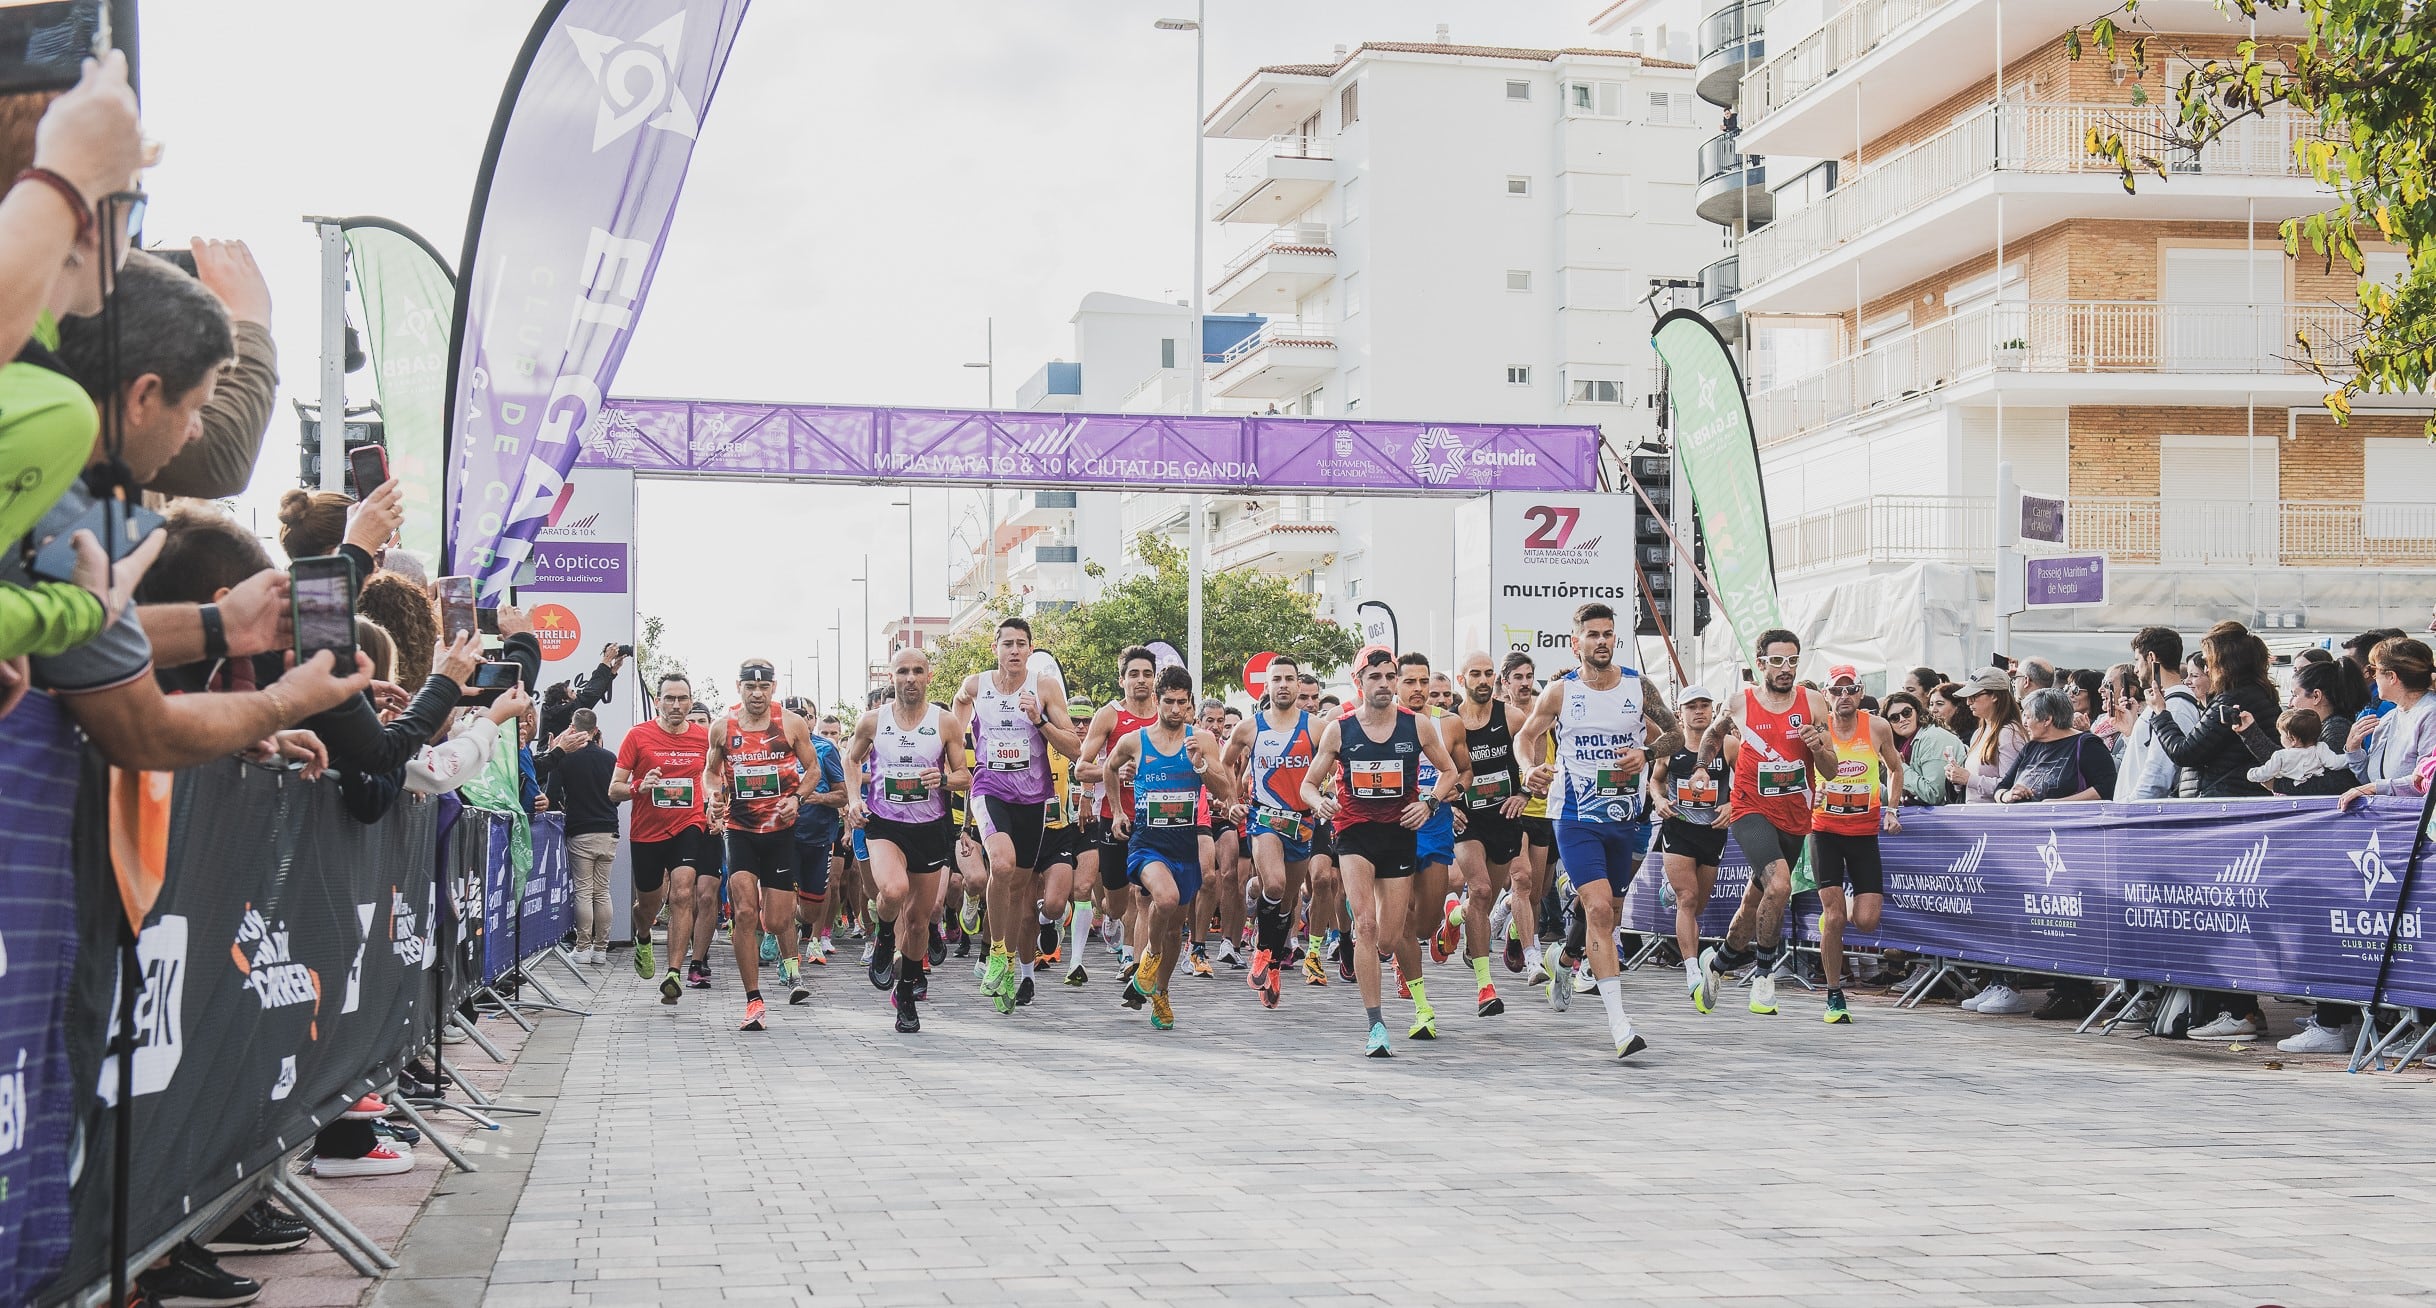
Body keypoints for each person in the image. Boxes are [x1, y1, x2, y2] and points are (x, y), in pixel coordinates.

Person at [1517, 603, 1659, 1057]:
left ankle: (1564, 956)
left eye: (1609, 634)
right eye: (1592, 634)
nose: (1602, 641)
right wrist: (1528, 768)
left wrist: (1647, 755)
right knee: (1598, 908)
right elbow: (1526, 737)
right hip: (1574, 815)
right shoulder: (1561, 692)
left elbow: (1674, 736)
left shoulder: (1638, 686)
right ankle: (1620, 1025)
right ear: (1575, 641)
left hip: (1624, 817)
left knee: (1609, 911)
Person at [1303, 647, 1460, 1056]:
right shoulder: (1339, 730)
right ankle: (1376, 1026)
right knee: (1366, 927)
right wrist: (1319, 802)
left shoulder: (1418, 726)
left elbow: (1450, 772)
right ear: (1359, 683)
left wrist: (1429, 803)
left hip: (1399, 834)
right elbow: (1307, 784)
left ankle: (1392, 968)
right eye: (1376, 677)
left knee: (1389, 938)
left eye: (1391, 677)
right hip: (1355, 833)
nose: (1386, 684)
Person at [1696, 628, 1833, 1017]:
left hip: (1795, 814)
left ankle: (1719, 963)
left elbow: (1832, 769)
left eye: (1792, 660)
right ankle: (1763, 976)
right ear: (1761, 664)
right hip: (1749, 809)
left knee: (1758, 898)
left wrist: (1817, 746)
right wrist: (1703, 768)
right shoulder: (1741, 702)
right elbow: (1712, 733)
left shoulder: (1813, 702)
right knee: (1780, 884)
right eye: (1777, 661)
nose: (1786, 668)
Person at [951, 617, 1081, 1013]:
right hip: (990, 790)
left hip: (1032, 800)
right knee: (1002, 866)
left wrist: (1039, 720)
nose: (1014, 650)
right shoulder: (976, 686)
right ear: (995, 648)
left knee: (1018, 886)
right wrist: (956, 755)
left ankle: (1009, 963)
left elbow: (1075, 747)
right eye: (1007, 643)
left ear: (1029, 649)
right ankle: (996, 951)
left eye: (1021, 644)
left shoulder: (1043, 687)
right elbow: (956, 710)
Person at [843, 648, 971, 1034]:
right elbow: (851, 760)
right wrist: (853, 800)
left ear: (929, 676)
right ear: (891, 678)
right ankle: (883, 937)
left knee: (919, 921)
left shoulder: (945, 723)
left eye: (918, 671)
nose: (910, 678)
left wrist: (944, 780)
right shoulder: (872, 721)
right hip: (885, 824)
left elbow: (966, 775)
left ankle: (907, 992)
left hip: (930, 829)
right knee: (894, 889)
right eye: (903, 672)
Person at [1104, 666, 1234, 1030]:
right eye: (1169, 702)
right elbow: (1109, 768)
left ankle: (1161, 990)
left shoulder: (1202, 740)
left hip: (1185, 842)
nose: (1176, 709)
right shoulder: (1136, 740)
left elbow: (1225, 788)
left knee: (1176, 925)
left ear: (1190, 704)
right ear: (1157, 701)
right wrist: (1116, 812)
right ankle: (1150, 954)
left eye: (1182, 703)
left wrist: (1201, 766)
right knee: (1163, 899)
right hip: (1147, 842)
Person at [704, 659, 826, 1028]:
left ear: (773, 688)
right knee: (743, 912)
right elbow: (711, 771)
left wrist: (798, 799)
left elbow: (814, 769)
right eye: (749, 687)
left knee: (776, 919)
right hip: (739, 828)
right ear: (738, 687)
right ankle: (753, 1000)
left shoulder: (790, 724)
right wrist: (712, 795)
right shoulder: (722, 727)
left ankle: (789, 964)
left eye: (763, 687)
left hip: (780, 831)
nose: (756, 694)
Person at [1804, 664, 1905, 1024]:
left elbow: (1895, 767)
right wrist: (1807, 799)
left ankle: (1836, 909)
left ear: (1860, 693)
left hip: (1864, 833)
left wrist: (1892, 809)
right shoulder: (1818, 731)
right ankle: (1834, 995)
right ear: (1827, 695)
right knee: (1833, 918)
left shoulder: (1877, 727)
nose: (1844, 697)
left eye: (1851, 690)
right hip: (1826, 831)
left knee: (1865, 920)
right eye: (1837, 691)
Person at [608, 674, 715, 1002]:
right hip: (647, 833)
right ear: (657, 702)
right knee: (649, 905)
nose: (676, 705)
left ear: (690, 700)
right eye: (669, 698)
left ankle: (674, 972)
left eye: (682, 698)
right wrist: (641, 786)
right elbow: (614, 790)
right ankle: (643, 935)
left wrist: (715, 803)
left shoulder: (704, 738)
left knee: (683, 893)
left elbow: (715, 777)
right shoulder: (638, 737)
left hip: (688, 824)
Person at [1226, 652, 1318, 1010]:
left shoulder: (1316, 728)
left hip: (1303, 821)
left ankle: (1275, 964)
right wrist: (1231, 799)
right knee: (1275, 885)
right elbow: (1223, 767)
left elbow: (1340, 762)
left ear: (1299, 685)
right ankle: (1262, 953)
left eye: (1289, 679)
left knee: (1289, 902)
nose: (1283, 685)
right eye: (1276, 679)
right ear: (1267, 686)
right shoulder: (1249, 727)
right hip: (1264, 819)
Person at [1075, 646, 1160, 980]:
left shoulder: (1164, 714)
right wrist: (1114, 771)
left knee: (1145, 892)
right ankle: (1109, 917)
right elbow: (1082, 768)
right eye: (1134, 674)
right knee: (1116, 900)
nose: (1141, 680)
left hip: (1153, 818)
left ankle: (1133, 959)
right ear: (1122, 680)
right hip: (1115, 816)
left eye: (1147, 674)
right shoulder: (1109, 716)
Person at [1450, 651, 1525, 1018]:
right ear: (1461, 678)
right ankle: (1485, 986)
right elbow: (1433, 771)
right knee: (1479, 890)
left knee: (1485, 898)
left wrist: (1524, 795)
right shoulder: (1449, 723)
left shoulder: (1512, 717)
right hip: (1467, 821)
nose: (1483, 680)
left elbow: (1531, 763)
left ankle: (1453, 919)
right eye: (1475, 674)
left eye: (1489, 674)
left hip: (1504, 818)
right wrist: (1447, 806)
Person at [1649, 685, 1730, 1011]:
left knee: (1697, 906)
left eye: (1704, 705)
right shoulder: (1671, 746)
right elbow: (1655, 780)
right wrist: (1658, 800)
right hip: (1679, 828)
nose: (1699, 711)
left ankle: (1671, 889)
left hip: (1712, 830)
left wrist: (1733, 805)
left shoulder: (1728, 745)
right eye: (1691, 706)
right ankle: (1692, 971)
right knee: (1689, 898)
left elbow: (1748, 780)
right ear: (1679, 712)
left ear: (1713, 710)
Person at [1396, 652, 1469, 995]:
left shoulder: (1448, 723)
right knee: (1401, 907)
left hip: (1435, 821)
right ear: (1394, 683)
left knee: (1426, 920)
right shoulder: (1382, 722)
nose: (1418, 688)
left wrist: (1450, 792)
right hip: (1395, 824)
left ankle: (1437, 931)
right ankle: (1407, 970)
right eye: (1410, 681)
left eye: (1423, 681)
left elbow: (1464, 771)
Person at [2151, 621, 2278, 799]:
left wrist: (2160, 712)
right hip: (2240, 796)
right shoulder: (2262, 695)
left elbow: (2185, 753)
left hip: (2224, 801)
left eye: (2207, 660)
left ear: (2223, 662)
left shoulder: (2231, 700)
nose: (2206, 668)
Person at [545, 709, 619, 964]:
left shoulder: (564, 759)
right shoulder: (610, 758)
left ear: (572, 729)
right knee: (602, 891)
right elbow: (616, 794)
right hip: (609, 830)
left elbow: (551, 794)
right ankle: (601, 949)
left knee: (584, 891)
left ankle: (583, 947)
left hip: (580, 831)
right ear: (596, 730)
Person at [1501, 651, 1555, 982]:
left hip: (1545, 809)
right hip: (1512, 808)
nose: (1525, 683)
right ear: (1505, 682)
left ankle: (1515, 932)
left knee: (1538, 892)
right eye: (1518, 677)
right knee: (1521, 880)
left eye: (1529, 676)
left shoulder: (1544, 712)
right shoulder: (1502, 717)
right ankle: (1532, 955)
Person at [790, 707, 851, 967]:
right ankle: (784, 944)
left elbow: (843, 795)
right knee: (780, 890)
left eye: (805, 714)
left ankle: (816, 937)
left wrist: (816, 797)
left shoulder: (826, 749)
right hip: (782, 834)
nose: (799, 718)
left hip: (818, 834)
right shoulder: (772, 747)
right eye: (791, 713)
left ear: (811, 719)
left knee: (816, 899)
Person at [2117, 627, 2202, 801]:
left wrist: (2127, 809)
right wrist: (2130, 733)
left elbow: (2159, 773)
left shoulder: (2175, 706)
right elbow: (2146, 757)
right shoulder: (2164, 702)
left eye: (2137, 660)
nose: (2135, 670)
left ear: (2151, 657)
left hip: (2140, 816)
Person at [1996, 689, 2117, 804]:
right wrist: (2007, 795)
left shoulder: (2088, 745)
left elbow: (2106, 788)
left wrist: (2058, 804)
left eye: (2028, 717)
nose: (2024, 723)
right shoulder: (2030, 747)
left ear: (2047, 719)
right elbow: (2001, 787)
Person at [1951, 668, 2028, 804]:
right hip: (1975, 814)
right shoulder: (1979, 733)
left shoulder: (2009, 732)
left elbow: (2011, 786)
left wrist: (1968, 779)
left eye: (1974, 695)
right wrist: (1957, 777)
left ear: (1994, 696)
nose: (1968, 702)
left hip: (1995, 818)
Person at [1883, 691, 1963, 806]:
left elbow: (1933, 794)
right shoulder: (1901, 744)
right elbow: (1890, 800)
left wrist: (1898, 766)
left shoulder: (1932, 738)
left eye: (1906, 712)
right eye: (1894, 718)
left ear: (1917, 711)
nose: (1902, 719)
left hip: (1949, 816)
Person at [2246, 709, 2350, 795]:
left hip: (2287, 796)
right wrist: (2354, 757)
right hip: (2313, 797)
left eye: (2281, 734)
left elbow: (2266, 772)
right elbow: (2336, 763)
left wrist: (2252, 774)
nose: (2280, 738)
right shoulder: (2320, 748)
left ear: (2293, 739)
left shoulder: (2281, 756)